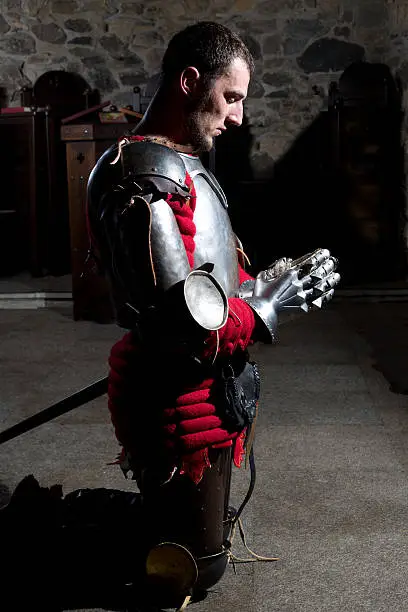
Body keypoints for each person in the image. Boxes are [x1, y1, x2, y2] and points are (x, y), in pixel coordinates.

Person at [86, 21, 339, 607]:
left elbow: (217, 283)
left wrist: (267, 282)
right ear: (189, 81)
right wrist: (270, 306)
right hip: (173, 393)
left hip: (214, 388)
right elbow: (181, 326)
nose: (239, 117)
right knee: (195, 570)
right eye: (231, 97)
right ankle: (46, 519)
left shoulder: (186, 163)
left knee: (199, 557)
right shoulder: (145, 176)